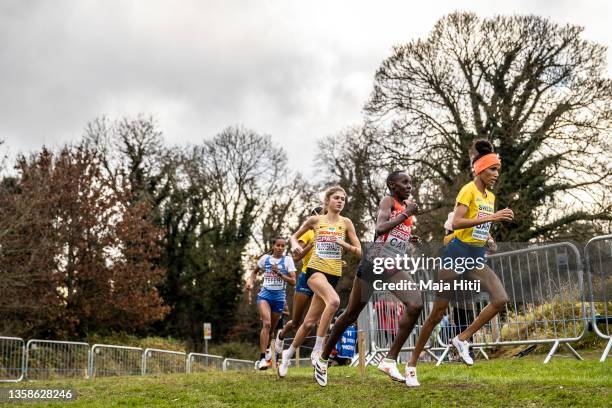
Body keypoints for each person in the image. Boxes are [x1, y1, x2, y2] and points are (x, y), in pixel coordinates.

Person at [405, 139, 513, 385]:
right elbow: (457, 223)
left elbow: (480, 222)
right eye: (492, 169)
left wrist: (488, 236)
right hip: (456, 255)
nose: (496, 174)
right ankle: (411, 365)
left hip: (475, 256)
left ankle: (462, 339)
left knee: (500, 299)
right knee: (437, 314)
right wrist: (494, 218)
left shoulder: (490, 196)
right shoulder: (468, 190)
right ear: (480, 169)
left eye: (497, 169)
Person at [314, 170, 423, 387]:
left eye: (410, 182)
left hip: (390, 265)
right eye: (404, 182)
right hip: (373, 264)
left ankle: (389, 360)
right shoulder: (388, 201)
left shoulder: (405, 207)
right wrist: (406, 214)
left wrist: (410, 239)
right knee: (350, 314)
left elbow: (394, 235)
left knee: (416, 304)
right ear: (392, 185)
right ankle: (323, 358)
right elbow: (380, 228)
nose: (409, 186)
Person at [278, 186, 361, 378]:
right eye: (336, 198)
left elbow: (359, 251)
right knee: (334, 302)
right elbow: (293, 236)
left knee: (308, 324)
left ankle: (287, 355)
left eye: (343, 199)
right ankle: (317, 350)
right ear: (327, 201)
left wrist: (344, 245)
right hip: (314, 272)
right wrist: (295, 246)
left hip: (333, 274)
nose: (340, 201)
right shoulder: (316, 220)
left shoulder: (346, 223)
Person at [274, 207, 324, 357]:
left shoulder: (329, 234)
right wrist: (310, 244)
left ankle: (318, 354)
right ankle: (281, 335)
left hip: (322, 278)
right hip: (305, 278)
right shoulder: (308, 232)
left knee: (320, 321)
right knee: (295, 322)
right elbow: (295, 258)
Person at [249, 237, 296, 370]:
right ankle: (262, 358)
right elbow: (254, 272)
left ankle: (268, 351)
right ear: (273, 246)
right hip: (265, 295)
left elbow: (293, 282)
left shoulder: (287, 260)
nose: (280, 248)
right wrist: (250, 282)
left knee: (272, 331)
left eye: (283, 246)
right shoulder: (265, 259)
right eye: (278, 245)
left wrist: (280, 273)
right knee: (267, 324)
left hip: (279, 298)